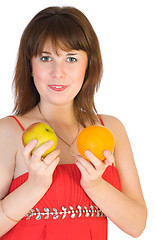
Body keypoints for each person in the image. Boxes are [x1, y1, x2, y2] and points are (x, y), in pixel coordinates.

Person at [0, 6, 147, 240]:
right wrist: (35, 186)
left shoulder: (109, 129)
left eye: (71, 58)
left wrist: (96, 186)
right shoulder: (7, 132)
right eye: (46, 57)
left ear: (89, 64)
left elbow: (137, 224)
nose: (58, 72)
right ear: (30, 64)